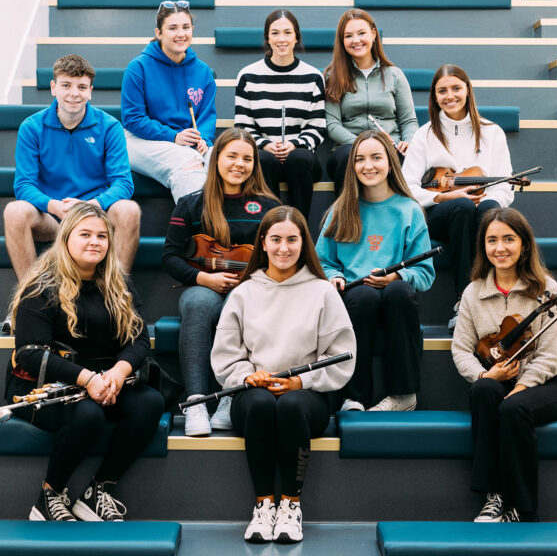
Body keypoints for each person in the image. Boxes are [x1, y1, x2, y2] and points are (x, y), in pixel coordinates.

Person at [6, 202, 164, 522]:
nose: (95, 242)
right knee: (88, 415)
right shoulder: (41, 285)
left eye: (102, 236)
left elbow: (139, 341)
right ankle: (49, 496)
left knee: (150, 402)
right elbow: (31, 354)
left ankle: (98, 491)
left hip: (105, 381)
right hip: (42, 385)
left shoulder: (118, 283)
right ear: (66, 239)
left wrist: (118, 374)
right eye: (85, 234)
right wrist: (88, 380)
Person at [211, 205, 356, 543]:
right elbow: (227, 357)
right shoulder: (243, 293)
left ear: (304, 244)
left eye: (292, 240)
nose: (284, 248)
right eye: (275, 239)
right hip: (253, 392)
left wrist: (300, 382)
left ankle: (291, 504)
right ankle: (263, 505)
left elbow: (339, 357)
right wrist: (249, 376)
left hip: (308, 395)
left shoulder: (323, 292)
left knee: (290, 406)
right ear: (263, 242)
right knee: (261, 405)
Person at [450, 207, 557, 523]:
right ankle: (493, 497)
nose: (500, 248)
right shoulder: (473, 293)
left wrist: (519, 388)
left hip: (546, 384)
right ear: (483, 247)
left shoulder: (547, 288)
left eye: (508, 239)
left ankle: (521, 507)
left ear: (524, 244)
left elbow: (549, 354)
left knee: (513, 408)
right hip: (496, 375)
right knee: (483, 391)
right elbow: (461, 349)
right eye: (492, 240)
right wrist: (483, 374)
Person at [4, 54, 141, 332]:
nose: (73, 94)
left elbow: (123, 183)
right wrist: (52, 205)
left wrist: (91, 205)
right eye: (66, 86)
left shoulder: (109, 127)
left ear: (91, 91)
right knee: (14, 211)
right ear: (53, 88)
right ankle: (30, 302)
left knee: (129, 209)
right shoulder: (32, 127)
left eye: (81, 87)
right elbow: (24, 185)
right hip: (53, 216)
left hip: (94, 217)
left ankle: (116, 297)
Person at [162, 128, 280, 436]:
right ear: (216, 160)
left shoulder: (268, 206)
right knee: (198, 304)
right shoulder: (191, 203)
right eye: (232, 156)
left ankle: (228, 396)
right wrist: (203, 278)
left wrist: (251, 282)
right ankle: (196, 401)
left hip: (251, 287)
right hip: (203, 284)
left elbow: (278, 257)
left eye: (247, 158)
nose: (239, 164)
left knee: (238, 305)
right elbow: (170, 257)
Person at [316, 130, 434, 412]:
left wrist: (398, 276)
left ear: (391, 162)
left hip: (396, 298)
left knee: (398, 291)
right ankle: (354, 396)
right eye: (360, 159)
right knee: (365, 297)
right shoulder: (342, 209)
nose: (368, 166)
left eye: (376, 157)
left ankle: (404, 394)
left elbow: (424, 272)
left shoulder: (409, 209)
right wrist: (334, 277)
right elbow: (322, 261)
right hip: (357, 299)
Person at [401, 64, 515, 330]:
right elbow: (408, 187)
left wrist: (491, 202)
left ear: (467, 90)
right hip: (440, 212)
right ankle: (463, 301)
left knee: (487, 213)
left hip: (479, 210)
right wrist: (441, 199)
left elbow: (504, 183)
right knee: (462, 206)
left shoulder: (492, 131)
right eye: (442, 91)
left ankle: (492, 300)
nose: (449, 95)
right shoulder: (425, 134)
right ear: (434, 96)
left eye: (455, 88)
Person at [235, 9, 326, 218]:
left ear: (296, 37)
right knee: (264, 160)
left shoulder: (313, 76)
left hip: (301, 159)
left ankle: (298, 226)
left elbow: (318, 126)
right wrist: (265, 145)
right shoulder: (248, 76)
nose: (281, 39)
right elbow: (243, 125)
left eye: (287, 32)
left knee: (298, 158)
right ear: (267, 38)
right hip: (265, 156)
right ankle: (272, 224)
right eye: (275, 33)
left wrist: (295, 144)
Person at [121, 0, 215, 203]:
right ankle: (196, 232)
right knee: (187, 162)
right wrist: (173, 136)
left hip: (186, 140)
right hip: (141, 140)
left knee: (221, 160)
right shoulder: (138, 67)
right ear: (159, 32)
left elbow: (207, 116)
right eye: (172, 28)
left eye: (186, 27)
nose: (181, 34)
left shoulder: (203, 71)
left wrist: (204, 141)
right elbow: (133, 119)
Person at [323, 9, 418, 193]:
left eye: (361, 33)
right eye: (348, 36)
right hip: (349, 148)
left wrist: (408, 140)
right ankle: (347, 219)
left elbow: (409, 121)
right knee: (346, 156)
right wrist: (362, 145)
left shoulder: (394, 75)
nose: (356, 40)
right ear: (342, 41)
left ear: (373, 33)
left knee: (402, 158)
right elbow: (333, 125)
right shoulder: (331, 76)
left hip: (389, 146)